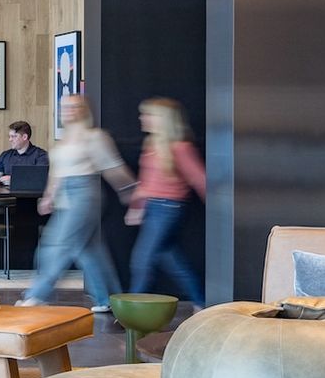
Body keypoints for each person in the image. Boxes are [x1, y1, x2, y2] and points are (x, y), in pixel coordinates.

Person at [20, 94, 132, 311]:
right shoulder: (64, 140)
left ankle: (37, 295)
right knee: (90, 250)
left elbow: (113, 168)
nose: (69, 110)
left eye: (75, 106)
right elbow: (57, 172)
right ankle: (107, 299)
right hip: (66, 196)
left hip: (86, 193)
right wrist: (49, 196)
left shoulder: (94, 137)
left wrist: (131, 190)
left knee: (57, 244)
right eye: (65, 107)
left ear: (84, 109)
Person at [128, 98, 205, 305]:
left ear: (164, 120)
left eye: (149, 114)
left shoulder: (180, 147)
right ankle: (202, 302)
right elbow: (146, 182)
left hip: (168, 208)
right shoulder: (151, 144)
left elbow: (199, 179)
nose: (142, 118)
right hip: (153, 208)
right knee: (170, 260)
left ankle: (132, 312)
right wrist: (136, 207)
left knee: (142, 260)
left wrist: (220, 211)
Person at [0, 119, 49, 188]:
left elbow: (40, 179)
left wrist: (14, 180)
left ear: (24, 137)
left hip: (30, 196)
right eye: (9, 136)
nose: (10, 140)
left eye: (14, 136)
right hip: (5, 197)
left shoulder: (41, 155)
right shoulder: (5, 155)